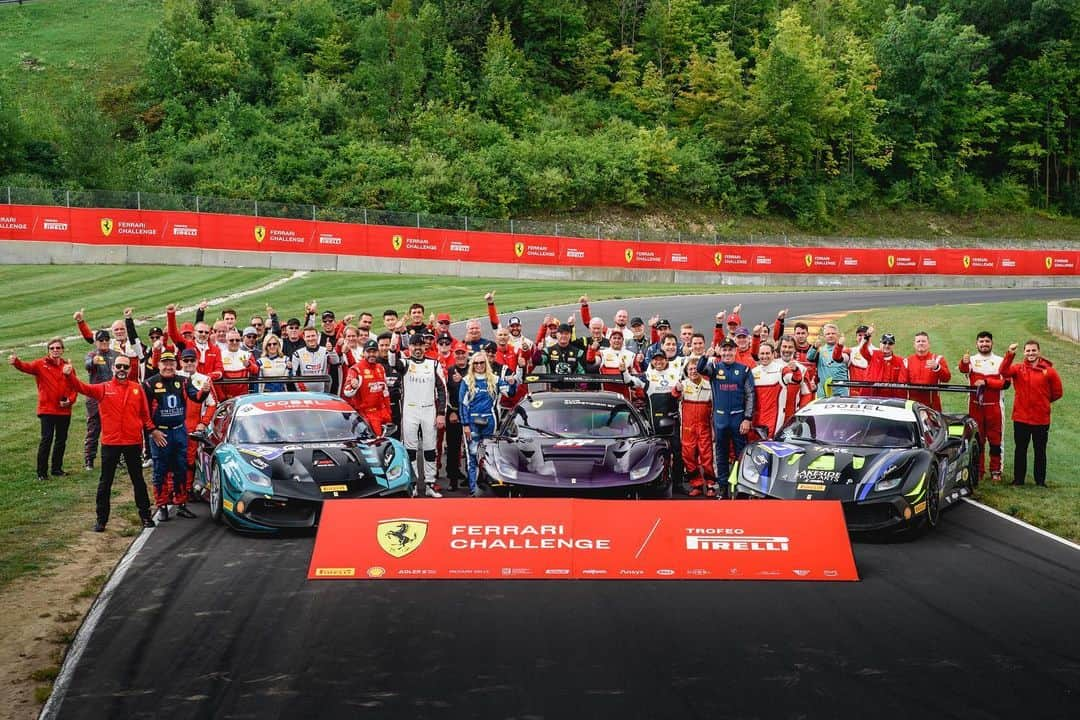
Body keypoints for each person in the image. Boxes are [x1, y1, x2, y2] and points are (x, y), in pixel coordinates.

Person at [62, 355, 157, 531]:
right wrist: (69, 375)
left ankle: (145, 516)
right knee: (105, 481)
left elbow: (145, 414)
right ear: (113, 368)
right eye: (119, 366)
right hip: (111, 443)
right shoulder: (104, 388)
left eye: (125, 367)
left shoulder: (137, 389)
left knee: (138, 480)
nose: (122, 370)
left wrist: (152, 431)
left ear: (130, 370)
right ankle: (101, 519)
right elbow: (82, 388)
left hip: (132, 442)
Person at [144, 351, 209, 521]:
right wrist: (153, 431)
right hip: (161, 432)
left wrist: (205, 391)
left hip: (180, 430)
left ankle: (181, 504)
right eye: (164, 363)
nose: (168, 367)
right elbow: (142, 412)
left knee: (181, 468)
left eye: (171, 363)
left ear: (176, 365)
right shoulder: (150, 384)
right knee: (160, 470)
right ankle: (162, 505)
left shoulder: (183, 381)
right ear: (159, 365)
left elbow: (197, 397)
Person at [10, 339, 78, 481]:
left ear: (62, 350)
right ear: (48, 350)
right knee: (46, 440)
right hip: (47, 410)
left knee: (61, 440)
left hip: (64, 410)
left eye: (58, 348)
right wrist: (16, 361)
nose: (55, 350)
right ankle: (42, 472)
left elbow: (74, 387)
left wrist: (70, 401)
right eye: (52, 348)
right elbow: (25, 367)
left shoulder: (68, 366)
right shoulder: (40, 364)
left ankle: (57, 469)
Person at [999, 341, 1063, 487]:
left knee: (1040, 451)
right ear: (1024, 353)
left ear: (1039, 352)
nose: (1031, 353)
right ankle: (1018, 480)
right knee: (1020, 449)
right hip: (1021, 418)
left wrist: (1043, 402)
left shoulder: (1049, 371)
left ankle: (1040, 481)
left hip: (1041, 419)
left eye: (1033, 350)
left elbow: (1058, 392)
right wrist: (1010, 354)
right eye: (1028, 351)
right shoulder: (1018, 368)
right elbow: (1003, 371)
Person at [697, 339, 755, 498]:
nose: (727, 353)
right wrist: (705, 356)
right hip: (720, 419)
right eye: (724, 350)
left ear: (735, 351)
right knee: (721, 455)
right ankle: (723, 488)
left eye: (730, 350)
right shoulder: (714, 367)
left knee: (741, 455)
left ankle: (741, 488)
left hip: (738, 419)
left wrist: (747, 418)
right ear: (720, 352)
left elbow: (750, 395)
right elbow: (700, 369)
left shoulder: (744, 370)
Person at [958, 331, 1009, 483]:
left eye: (987, 341)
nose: (984, 344)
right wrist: (963, 361)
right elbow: (963, 369)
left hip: (994, 407)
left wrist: (987, 382)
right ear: (976, 343)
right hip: (975, 407)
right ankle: (978, 469)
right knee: (977, 439)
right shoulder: (971, 360)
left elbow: (1006, 383)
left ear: (992, 343)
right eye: (981, 341)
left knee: (996, 440)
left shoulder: (1000, 361)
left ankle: (996, 470)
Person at [400, 334, 447, 497]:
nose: (417, 348)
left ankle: (430, 484)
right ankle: (412, 484)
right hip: (409, 411)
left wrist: (441, 413)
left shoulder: (434, 364)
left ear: (425, 347)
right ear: (409, 347)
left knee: (430, 449)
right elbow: (392, 359)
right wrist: (397, 334)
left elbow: (442, 389)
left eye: (420, 345)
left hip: (429, 410)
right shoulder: (404, 363)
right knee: (410, 450)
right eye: (414, 345)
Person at [460, 352, 512, 496]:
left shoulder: (495, 379)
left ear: (486, 363)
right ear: (472, 365)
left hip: (490, 422)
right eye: (476, 363)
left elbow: (510, 393)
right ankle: (473, 489)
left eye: (482, 362)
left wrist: (514, 381)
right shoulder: (466, 380)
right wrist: (465, 424)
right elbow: (462, 405)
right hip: (472, 423)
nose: (479, 366)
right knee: (473, 455)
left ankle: (491, 488)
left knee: (490, 455)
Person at [675, 360, 714, 497]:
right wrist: (676, 389)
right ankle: (696, 484)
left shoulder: (710, 385)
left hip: (704, 427)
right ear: (687, 371)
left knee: (707, 457)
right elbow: (674, 396)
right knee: (689, 457)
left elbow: (714, 408)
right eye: (690, 369)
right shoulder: (683, 385)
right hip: (687, 428)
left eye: (695, 368)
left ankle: (711, 485)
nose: (693, 371)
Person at [83, 330, 119, 471]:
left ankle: (115, 458)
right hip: (95, 398)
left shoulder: (116, 355)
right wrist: (93, 361)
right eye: (101, 340)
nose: (104, 342)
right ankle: (89, 459)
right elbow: (87, 364)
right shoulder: (92, 355)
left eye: (106, 340)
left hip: (112, 396)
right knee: (93, 428)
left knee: (114, 428)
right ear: (96, 342)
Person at [750, 341, 800, 441]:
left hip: (775, 418)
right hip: (757, 417)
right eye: (762, 354)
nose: (765, 356)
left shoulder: (781, 369)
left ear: (773, 354)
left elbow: (796, 379)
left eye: (767, 353)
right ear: (758, 355)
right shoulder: (754, 371)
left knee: (772, 444)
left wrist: (795, 370)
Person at [342, 340, 392, 436]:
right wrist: (353, 386)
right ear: (363, 353)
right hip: (365, 414)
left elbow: (385, 392)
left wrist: (388, 411)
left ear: (378, 353)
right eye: (369, 352)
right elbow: (346, 392)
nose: (372, 354)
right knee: (375, 443)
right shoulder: (356, 369)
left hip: (382, 412)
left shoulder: (380, 368)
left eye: (374, 352)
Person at [904, 331, 951, 410]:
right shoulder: (907, 361)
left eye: (923, 341)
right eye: (918, 341)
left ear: (929, 344)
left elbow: (947, 378)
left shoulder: (938, 359)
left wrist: (937, 367)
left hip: (933, 406)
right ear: (914, 345)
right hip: (913, 407)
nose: (921, 343)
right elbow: (902, 383)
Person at [858, 329, 906, 398]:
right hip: (871, 396)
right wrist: (866, 336)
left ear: (894, 345)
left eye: (890, 343)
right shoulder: (873, 355)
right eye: (884, 342)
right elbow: (862, 349)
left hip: (890, 399)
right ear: (880, 343)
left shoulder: (900, 361)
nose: (887, 345)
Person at [807, 323, 849, 398]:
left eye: (833, 333)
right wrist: (814, 347)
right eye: (828, 334)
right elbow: (809, 358)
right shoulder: (820, 350)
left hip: (841, 393)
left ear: (837, 335)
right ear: (824, 336)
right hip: (823, 393)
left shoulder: (845, 350)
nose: (830, 335)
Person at [291, 327, 338, 393]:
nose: (311, 338)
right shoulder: (297, 354)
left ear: (318, 336)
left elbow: (335, 362)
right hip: (305, 394)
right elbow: (295, 376)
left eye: (313, 336)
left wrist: (331, 351)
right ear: (304, 338)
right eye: (308, 336)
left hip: (323, 393)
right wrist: (303, 393)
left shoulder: (325, 351)